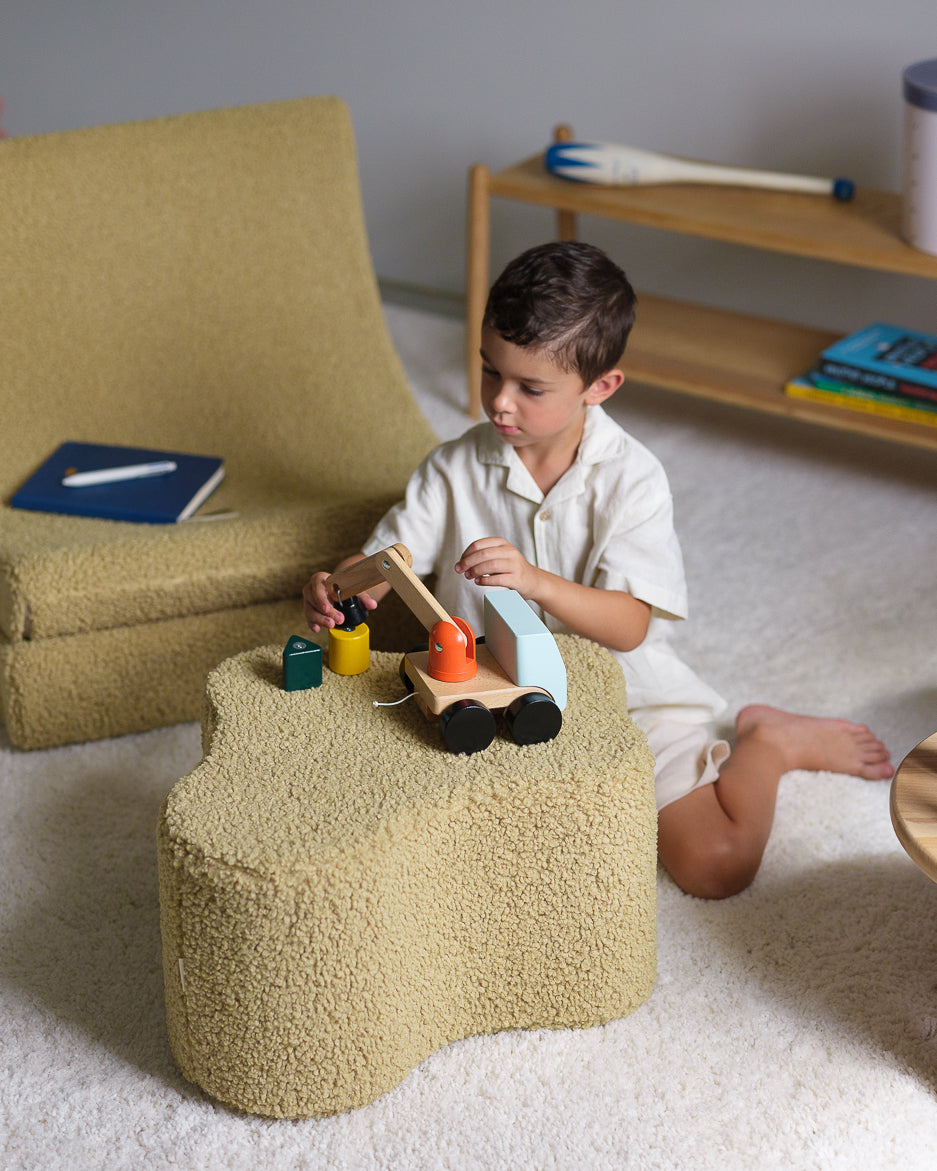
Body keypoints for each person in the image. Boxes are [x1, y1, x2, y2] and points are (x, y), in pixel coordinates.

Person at [303, 241, 893, 900]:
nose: (500, 402)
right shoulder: (452, 467)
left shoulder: (632, 479)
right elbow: (385, 560)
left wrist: (533, 580)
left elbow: (630, 625)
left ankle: (771, 743)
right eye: (490, 371)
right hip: (487, 694)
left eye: (530, 388)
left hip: (621, 695)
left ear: (600, 386)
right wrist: (339, 584)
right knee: (444, 847)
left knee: (716, 864)